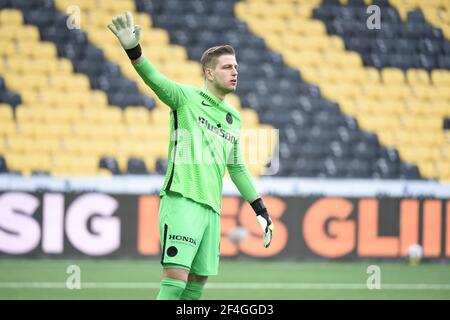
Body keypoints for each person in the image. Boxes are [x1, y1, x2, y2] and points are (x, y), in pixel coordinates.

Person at [108, 12, 274, 300]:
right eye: (226, 67)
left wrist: (260, 209)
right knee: (175, 282)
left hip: (212, 210)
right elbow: (155, 79)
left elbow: (236, 168)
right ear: (209, 73)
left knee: (195, 287)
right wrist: (133, 51)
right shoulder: (185, 98)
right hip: (182, 200)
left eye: (236, 67)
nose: (235, 72)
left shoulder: (233, 117)